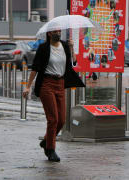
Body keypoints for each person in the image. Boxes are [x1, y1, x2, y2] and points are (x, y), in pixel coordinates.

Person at [22, 30, 85, 162]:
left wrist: (72, 48)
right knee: (53, 119)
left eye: (59, 31)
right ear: (49, 34)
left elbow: (73, 62)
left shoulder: (65, 45)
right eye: (55, 31)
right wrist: (28, 86)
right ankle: (50, 150)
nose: (58, 33)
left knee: (61, 120)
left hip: (60, 83)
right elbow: (35, 68)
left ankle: (46, 140)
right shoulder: (43, 48)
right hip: (47, 83)